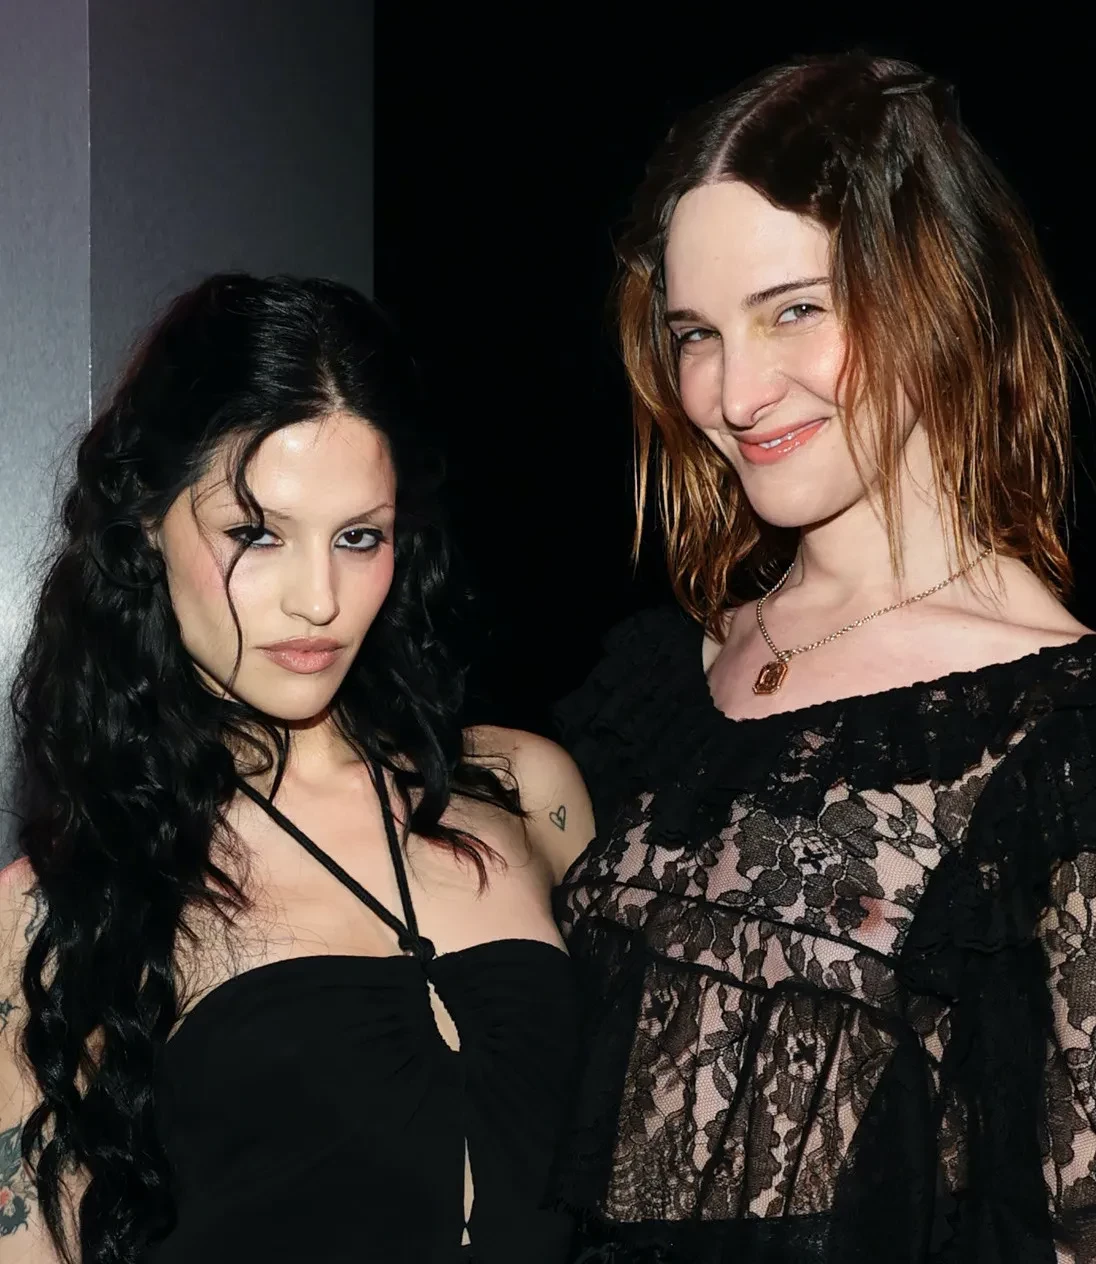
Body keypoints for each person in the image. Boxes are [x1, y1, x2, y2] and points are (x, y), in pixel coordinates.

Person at [553, 52, 1096, 1264]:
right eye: (696, 333)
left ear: (940, 289)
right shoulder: (657, 680)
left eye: (794, 309)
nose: (735, 393)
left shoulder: (1060, 749)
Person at [0, 274, 593, 1264]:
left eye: (359, 537)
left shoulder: (526, 792)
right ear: (147, 523)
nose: (319, 598)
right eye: (256, 533)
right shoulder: (60, 910)